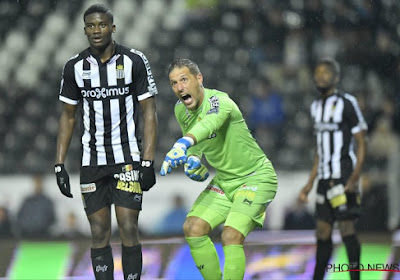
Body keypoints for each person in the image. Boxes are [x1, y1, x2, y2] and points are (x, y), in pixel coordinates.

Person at [54, 4, 158, 280]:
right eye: (91, 25)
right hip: (92, 163)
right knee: (99, 232)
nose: (96, 30)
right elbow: (68, 117)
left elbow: (149, 111)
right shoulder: (74, 67)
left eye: (102, 25)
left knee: (127, 227)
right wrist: (59, 164)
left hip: (127, 160)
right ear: (84, 29)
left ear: (112, 27)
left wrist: (147, 161)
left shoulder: (134, 60)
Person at [160, 58, 278, 279]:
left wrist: (182, 145)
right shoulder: (180, 110)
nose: (179, 87)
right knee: (193, 228)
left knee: (231, 235)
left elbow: (208, 125)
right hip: (224, 180)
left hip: (256, 177)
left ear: (199, 78)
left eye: (184, 79)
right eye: (174, 83)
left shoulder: (220, 101)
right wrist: (193, 158)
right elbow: (197, 138)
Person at [298, 58, 367, 280]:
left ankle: (356, 277)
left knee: (347, 230)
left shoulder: (347, 102)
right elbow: (320, 148)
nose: (320, 76)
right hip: (324, 180)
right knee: (322, 232)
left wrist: (355, 176)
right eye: (317, 72)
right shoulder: (315, 106)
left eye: (325, 73)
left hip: (343, 176)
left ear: (336, 78)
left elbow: (362, 142)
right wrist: (310, 183)